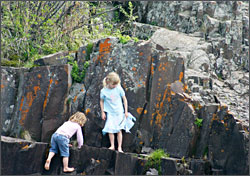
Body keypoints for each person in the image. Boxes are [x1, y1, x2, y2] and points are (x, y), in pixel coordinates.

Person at [100, 72, 128, 153]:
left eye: (116, 84)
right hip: (110, 113)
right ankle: (112, 145)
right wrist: (103, 112)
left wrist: (126, 111)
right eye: (113, 84)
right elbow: (101, 101)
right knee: (110, 129)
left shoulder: (119, 88)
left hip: (119, 112)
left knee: (119, 130)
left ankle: (119, 147)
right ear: (108, 82)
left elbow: (124, 99)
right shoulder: (103, 91)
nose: (115, 86)